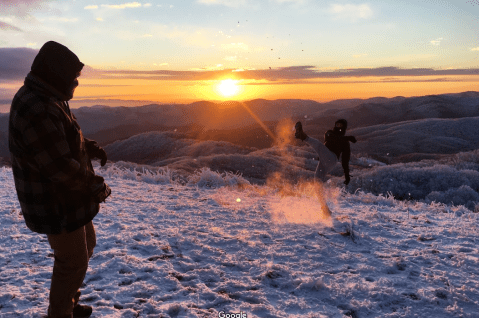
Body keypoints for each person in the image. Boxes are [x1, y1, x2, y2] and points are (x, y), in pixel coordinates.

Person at [8, 41, 111, 318]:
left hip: (67, 198)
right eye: (72, 78)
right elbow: (59, 167)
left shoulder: (50, 96)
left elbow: (63, 136)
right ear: (56, 75)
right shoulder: (36, 108)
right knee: (72, 260)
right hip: (53, 201)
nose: (76, 84)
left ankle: (69, 304)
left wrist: (87, 146)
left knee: (85, 248)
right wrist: (95, 185)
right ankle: (60, 313)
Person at [295, 119, 357, 216]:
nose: (338, 127)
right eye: (337, 124)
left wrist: (347, 175)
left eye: (341, 125)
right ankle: (325, 209)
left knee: (318, 145)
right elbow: (332, 138)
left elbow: (345, 161)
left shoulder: (345, 143)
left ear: (344, 127)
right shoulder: (330, 133)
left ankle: (303, 136)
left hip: (331, 159)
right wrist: (347, 138)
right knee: (317, 182)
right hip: (324, 161)